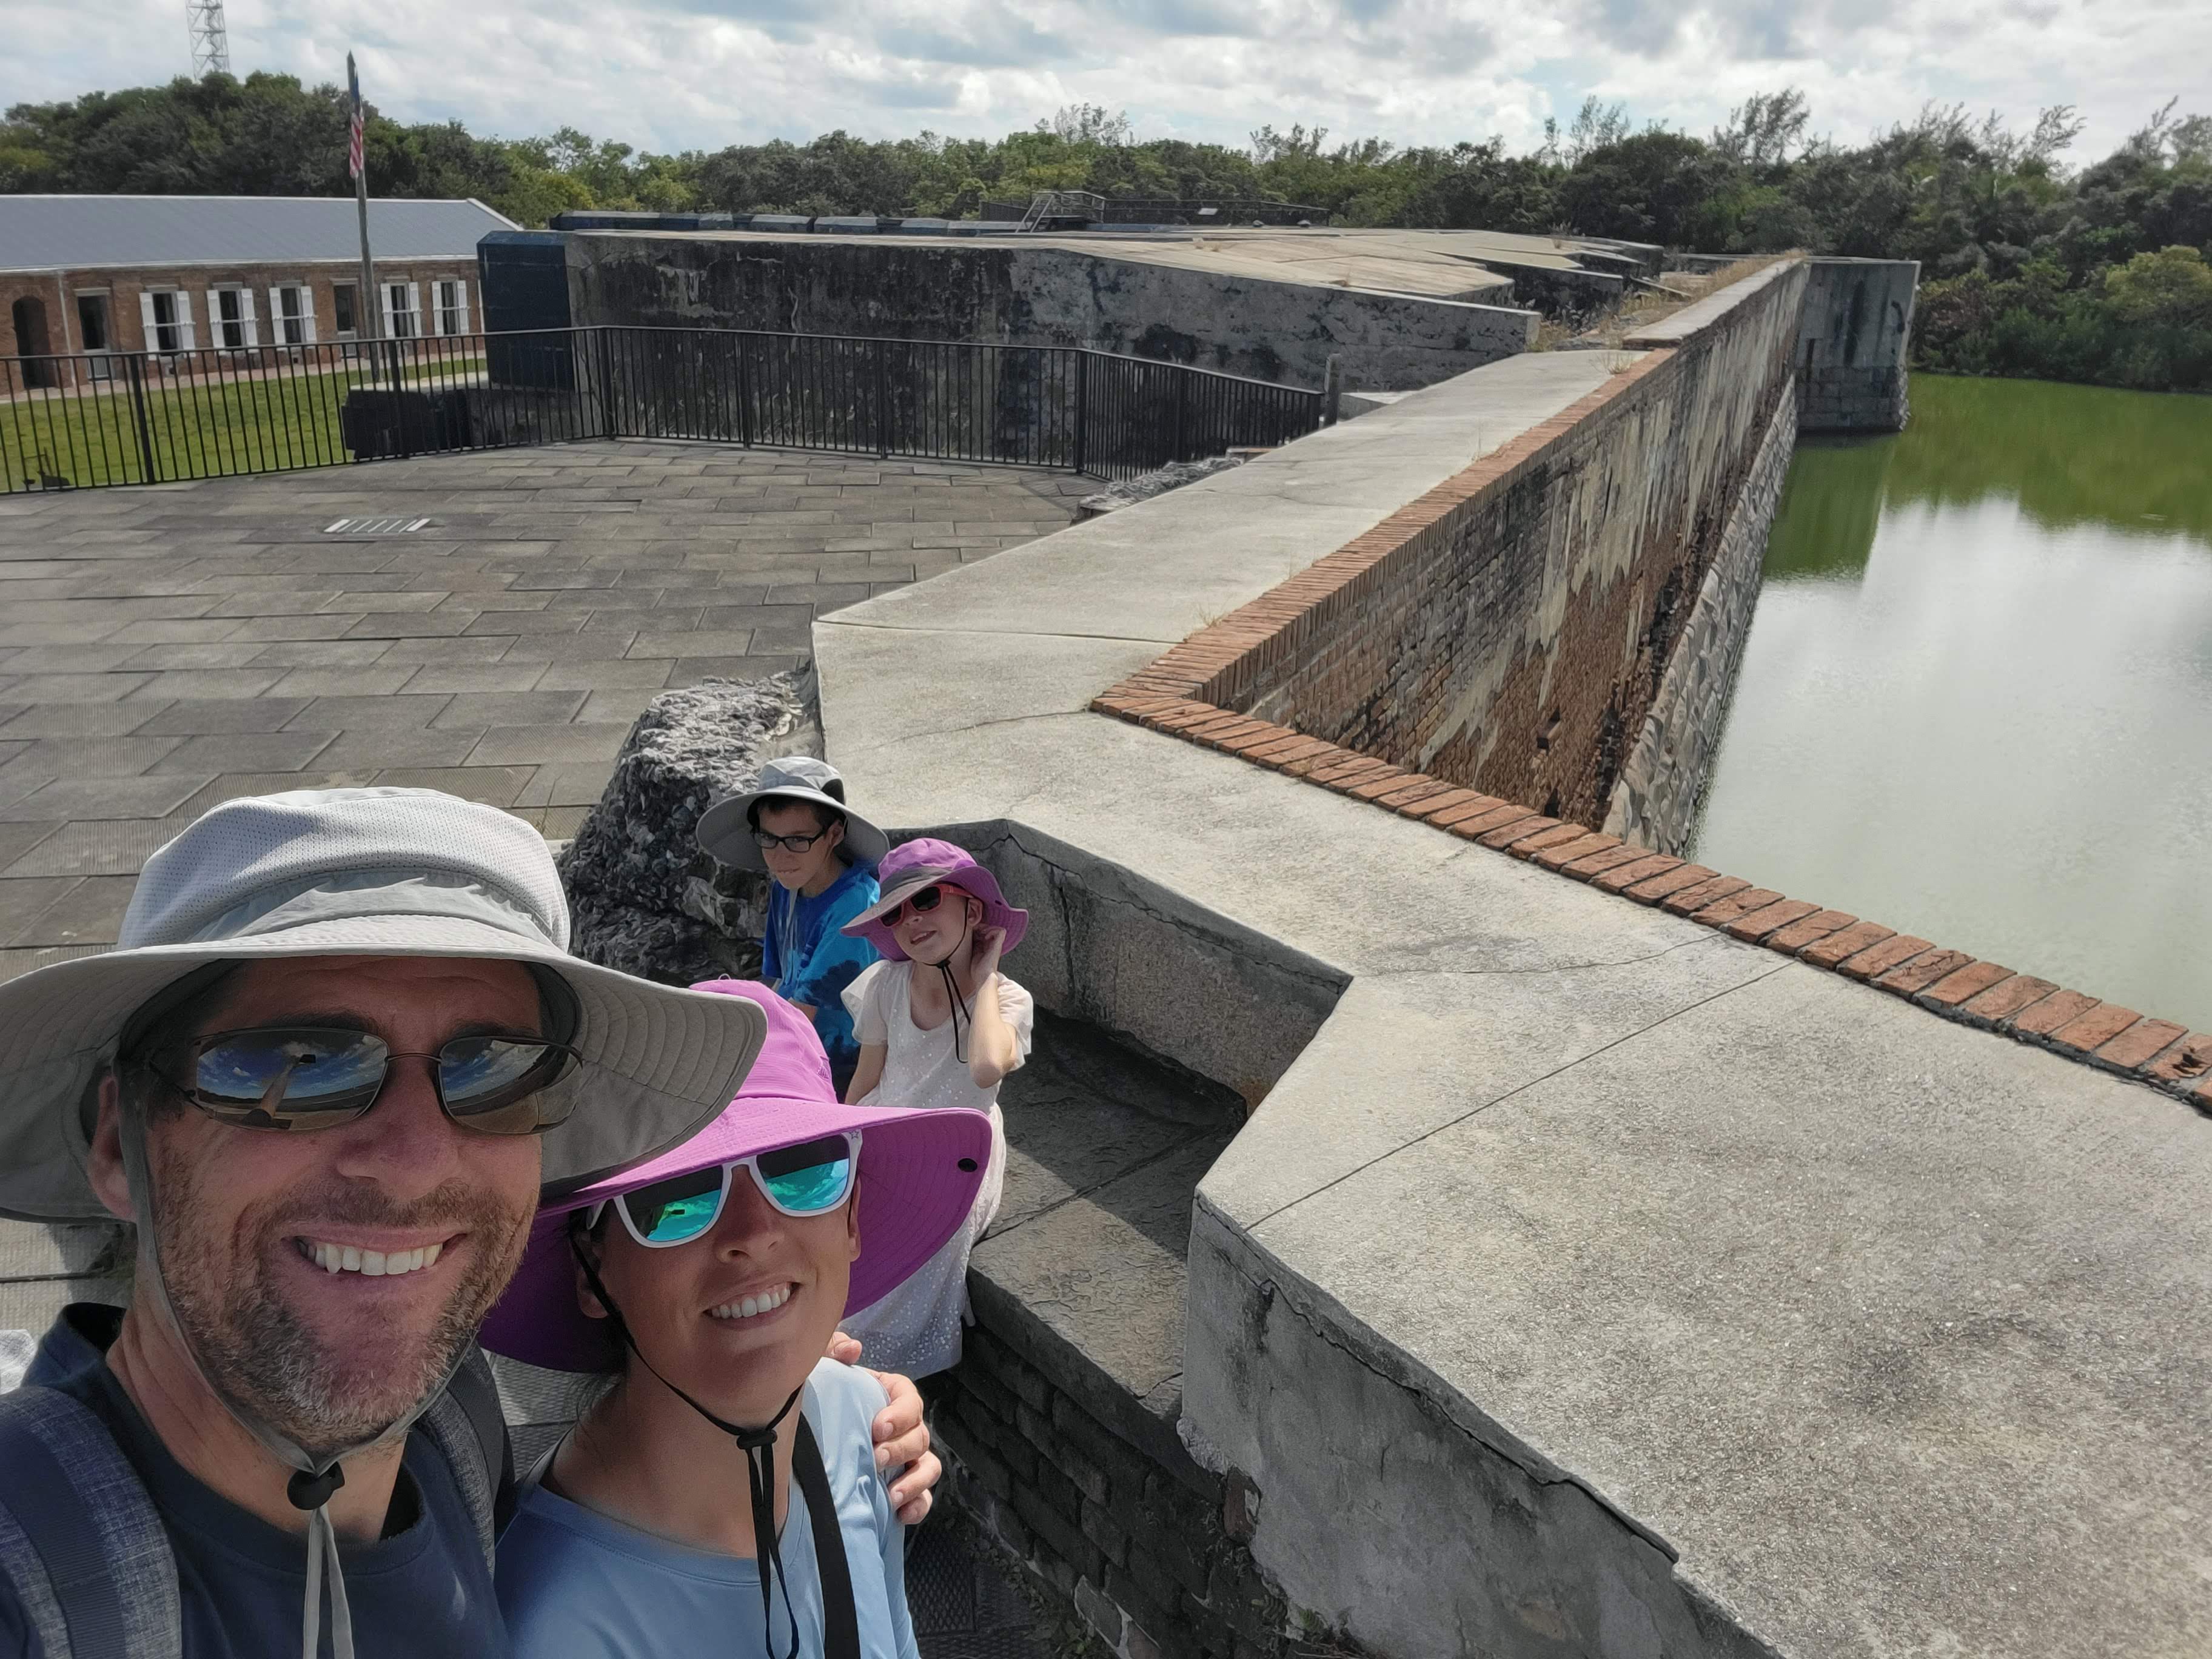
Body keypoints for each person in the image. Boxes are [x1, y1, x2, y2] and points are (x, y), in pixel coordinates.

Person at [0, 787, 939, 1659]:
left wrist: (794, 1377)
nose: (412, 1161)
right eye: (298, 1064)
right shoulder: (34, 1582)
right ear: (120, 1142)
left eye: (495, 1070)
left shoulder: (452, 1433)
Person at [484, 981, 991, 1658]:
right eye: (676, 1198)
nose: (752, 1233)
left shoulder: (863, 1427)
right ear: (592, 1271)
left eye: (802, 1168)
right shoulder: (546, 1628)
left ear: (851, 1218)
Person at [836, 839, 1033, 1376]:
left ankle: (871, 1364)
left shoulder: (1008, 1001)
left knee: (916, 1240)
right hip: (885, 1127)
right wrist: (837, 1140)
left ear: (972, 910)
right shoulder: (886, 984)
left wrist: (986, 973)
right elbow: (867, 1077)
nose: (911, 921)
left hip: (958, 1151)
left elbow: (987, 1067)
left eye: (927, 901)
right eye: (896, 912)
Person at [697, 758, 890, 1096]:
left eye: (798, 840)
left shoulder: (854, 907)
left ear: (834, 834)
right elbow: (777, 980)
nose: (779, 857)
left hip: (841, 1068)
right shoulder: (788, 884)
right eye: (768, 839)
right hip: (797, 1041)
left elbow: (802, 1016)